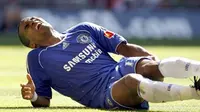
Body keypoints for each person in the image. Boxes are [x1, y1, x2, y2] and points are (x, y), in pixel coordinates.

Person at [18, 16, 200, 110]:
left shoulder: (84, 29)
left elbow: (124, 48)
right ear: (32, 44)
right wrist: (34, 96)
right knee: (132, 80)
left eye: (34, 18)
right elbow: (44, 101)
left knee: (146, 66)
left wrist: (154, 61)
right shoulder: (37, 59)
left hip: (117, 68)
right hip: (103, 93)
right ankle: (195, 93)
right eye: (27, 26)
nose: (33, 22)